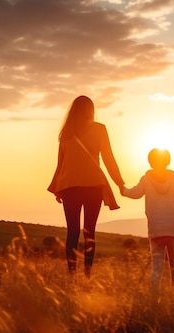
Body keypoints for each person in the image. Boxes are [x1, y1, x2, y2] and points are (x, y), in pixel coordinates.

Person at [48, 95, 125, 276]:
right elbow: (108, 158)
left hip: (69, 187)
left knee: (72, 231)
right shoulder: (99, 129)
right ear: (91, 110)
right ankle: (88, 274)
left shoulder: (66, 133)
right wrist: (119, 182)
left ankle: (71, 274)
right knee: (90, 231)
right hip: (93, 186)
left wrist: (57, 187)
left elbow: (61, 163)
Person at [121, 148, 174, 295]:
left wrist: (123, 190)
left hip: (155, 229)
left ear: (150, 161)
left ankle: (154, 297)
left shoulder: (146, 179)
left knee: (157, 266)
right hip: (172, 228)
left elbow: (135, 194)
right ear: (168, 161)